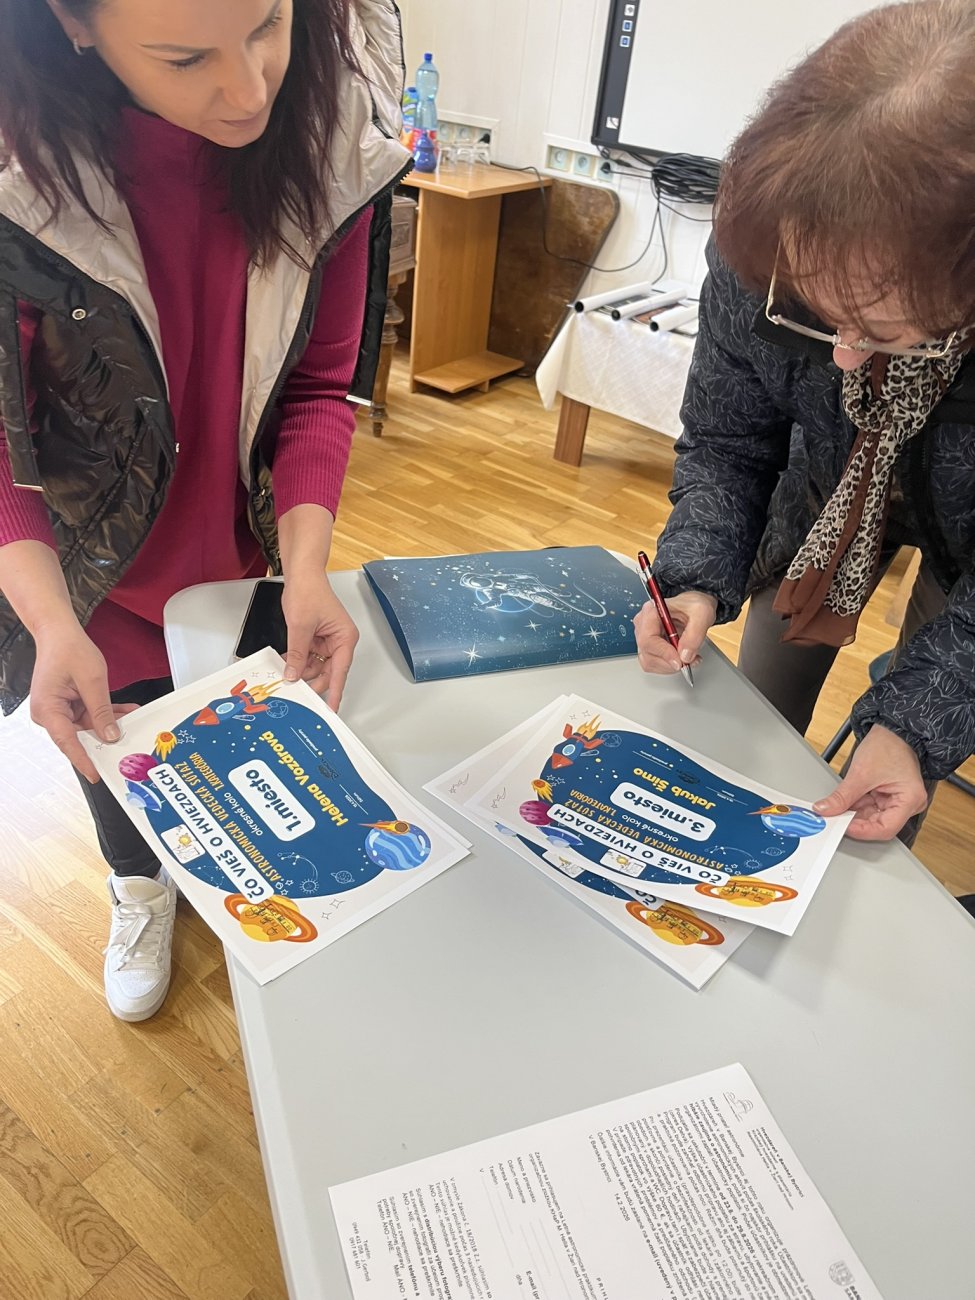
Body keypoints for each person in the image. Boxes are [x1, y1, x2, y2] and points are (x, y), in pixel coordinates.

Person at [0, 0, 411, 1020]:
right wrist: (49, 623)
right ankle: (138, 887)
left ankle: (228, 879)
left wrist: (306, 568)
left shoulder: (332, 141)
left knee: (239, 746)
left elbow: (317, 388)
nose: (248, 89)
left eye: (268, 23)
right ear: (74, 24)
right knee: (116, 750)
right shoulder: (19, 176)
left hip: (244, 556)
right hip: (92, 566)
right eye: (185, 58)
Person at [635, 0, 975, 855]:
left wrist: (913, 728)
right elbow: (728, 439)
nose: (846, 356)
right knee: (754, 705)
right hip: (824, 493)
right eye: (817, 317)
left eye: (883, 329)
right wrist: (693, 577)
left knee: (897, 759)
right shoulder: (764, 243)